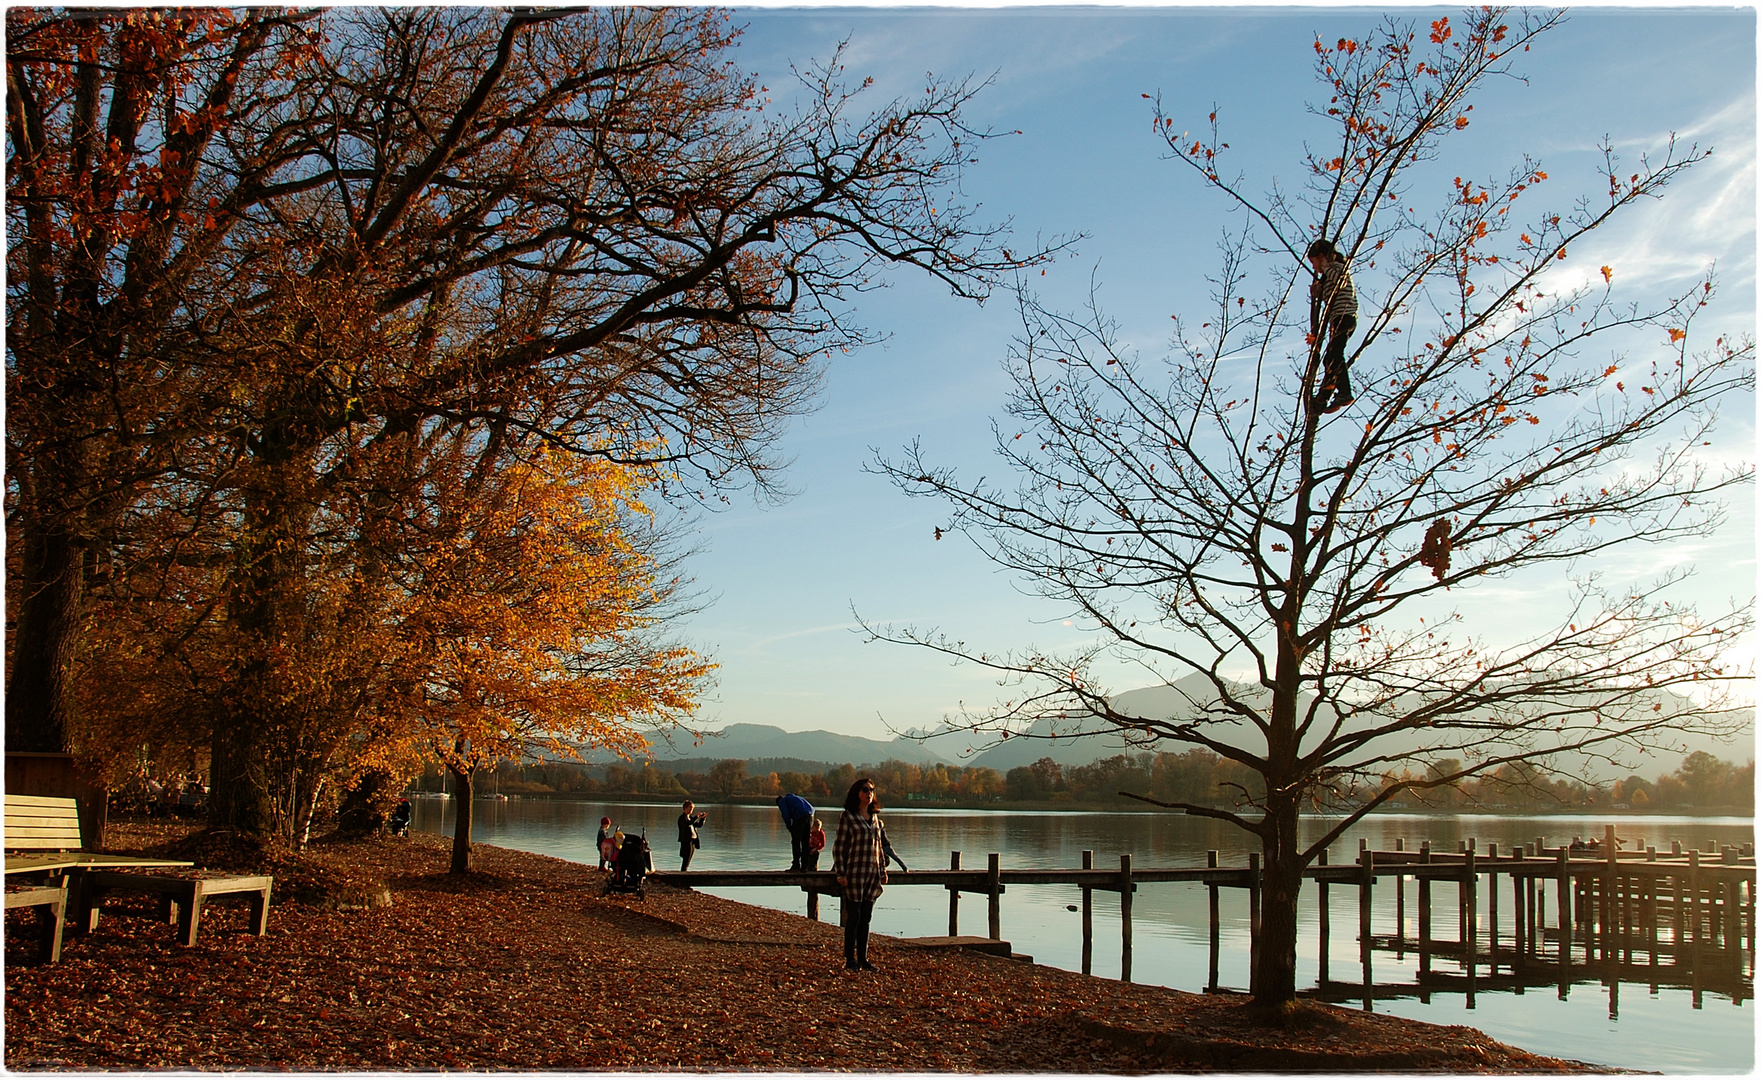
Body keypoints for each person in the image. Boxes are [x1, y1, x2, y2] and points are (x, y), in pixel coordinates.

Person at [832, 778, 887, 972]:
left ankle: (863, 959)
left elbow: (879, 848)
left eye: (872, 790)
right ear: (857, 792)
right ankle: (850, 960)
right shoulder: (848, 817)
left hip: (872, 876)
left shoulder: (875, 819)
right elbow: (838, 848)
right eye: (865, 789)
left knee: (866, 918)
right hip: (854, 874)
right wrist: (841, 872)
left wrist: (882, 871)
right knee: (853, 918)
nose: (869, 793)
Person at [1307, 238, 1358, 413]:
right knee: (1330, 358)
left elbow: (1340, 282)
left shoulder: (1336, 268)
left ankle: (1345, 391)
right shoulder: (1329, 275)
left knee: (1334, 354)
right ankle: (1325, 395)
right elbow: (1329, 295)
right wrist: (1318, 292)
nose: (1315, 268)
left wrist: (1327, 266)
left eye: (1314, 263)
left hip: (1345, 316)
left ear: (1322, 257)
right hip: (1337, 319)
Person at [776, 792, 815, 871]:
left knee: (796, 841)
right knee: (805, 842)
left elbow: (785, 815)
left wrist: (790, 828)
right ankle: (805, 866)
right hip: (810, 815)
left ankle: (796, 865)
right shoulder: (795, 798)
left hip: (800, 816)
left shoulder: (782, 801)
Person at [677, 800, 707, 871]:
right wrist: (696, 817)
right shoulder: (682, 818)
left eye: (692, 808)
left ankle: (684, 872)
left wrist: (702, 819)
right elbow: (688, 824)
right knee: (686, 859)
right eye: (690, 808)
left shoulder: (690, 817)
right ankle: (683, 873)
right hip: (686, 841)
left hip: (693, 841)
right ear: (685, 808)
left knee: (689, 858)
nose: (691, 810)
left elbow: (698, 825)